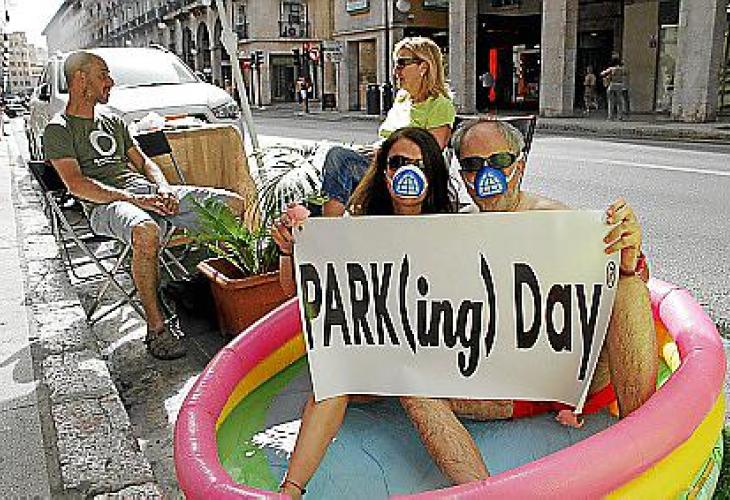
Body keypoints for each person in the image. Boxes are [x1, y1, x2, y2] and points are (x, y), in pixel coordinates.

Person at [399, 119, 658, 484]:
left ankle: (649, 452)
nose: (486, 174)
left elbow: (626, 286)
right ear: (463, 176)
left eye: (498, 161)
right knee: (411, 386)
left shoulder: (557, 220)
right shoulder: (456, 227)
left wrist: (629, 258)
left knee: (630, 289)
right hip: (505, 384)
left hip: (573, 377)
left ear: (518, 166)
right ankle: (484, 492)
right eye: (473, 165)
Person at [271, 127, 458, 499]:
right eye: (399, 162)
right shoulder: (353, 230)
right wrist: (289, 252)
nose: (408, 172)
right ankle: (290, 491)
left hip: (432, 361)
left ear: (434, 173)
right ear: (385, 172)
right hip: (374, 363)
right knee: (333, 376)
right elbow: (295, 292)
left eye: (420, 164)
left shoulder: (460, 230)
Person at [42, 51, 246, 360]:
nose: (110, 82)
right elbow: (77, 185)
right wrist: (137, 200)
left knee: (233, 205)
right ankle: (156, 330)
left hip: (148, 194)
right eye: (103, 75)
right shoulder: (59, 129)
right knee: (146, 230)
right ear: (80, 79)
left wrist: (162, 188)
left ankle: (211, 291)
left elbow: (145, 163)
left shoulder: (112, 120)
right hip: (106, 205)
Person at [321, 36, 456, 217]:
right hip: (381, 162)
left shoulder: (440, 105)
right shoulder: (402, 98)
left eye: (401, 64)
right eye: (395, 64)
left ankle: (331, 224)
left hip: (406, 171)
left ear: (423, 67)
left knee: (338, 158)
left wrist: (383, 153)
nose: (395, 71)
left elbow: (431, 154)